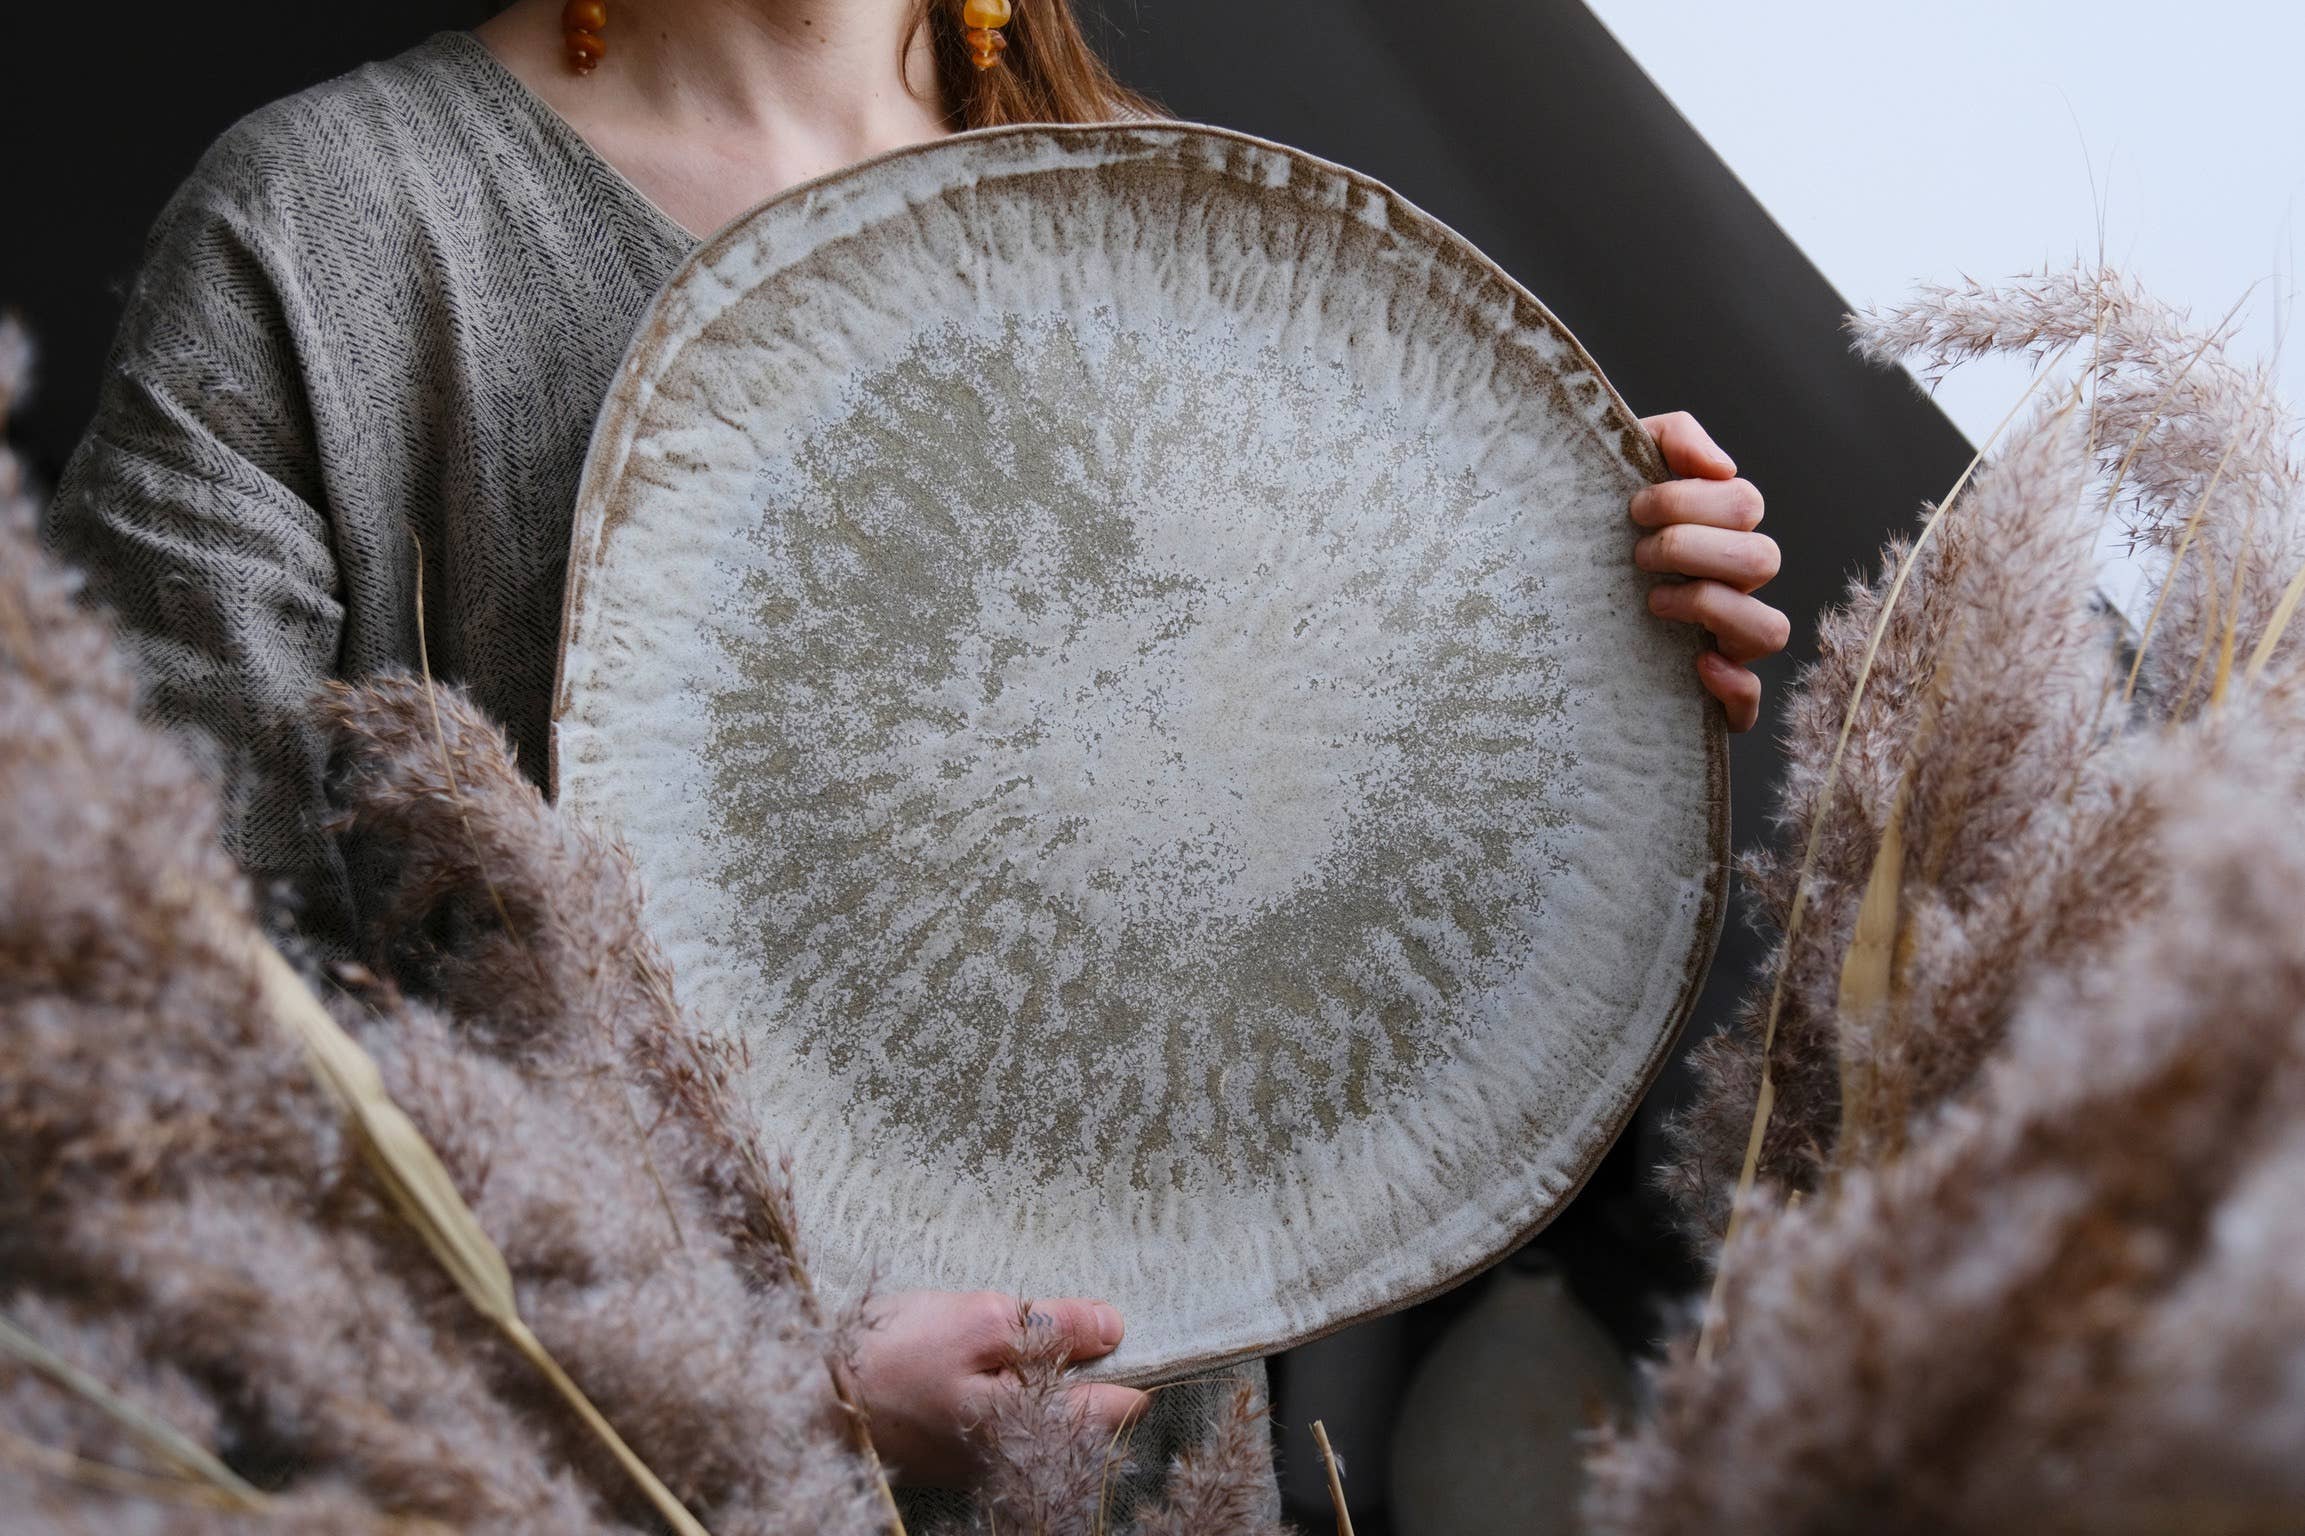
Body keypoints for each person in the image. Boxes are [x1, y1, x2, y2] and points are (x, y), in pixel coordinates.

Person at [43, 0, 1788, 1516]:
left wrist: (1587, 616)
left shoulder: (1175, 225)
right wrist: (745, 1393)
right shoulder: (331, 231)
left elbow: (1327, 853)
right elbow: (150, 1058)